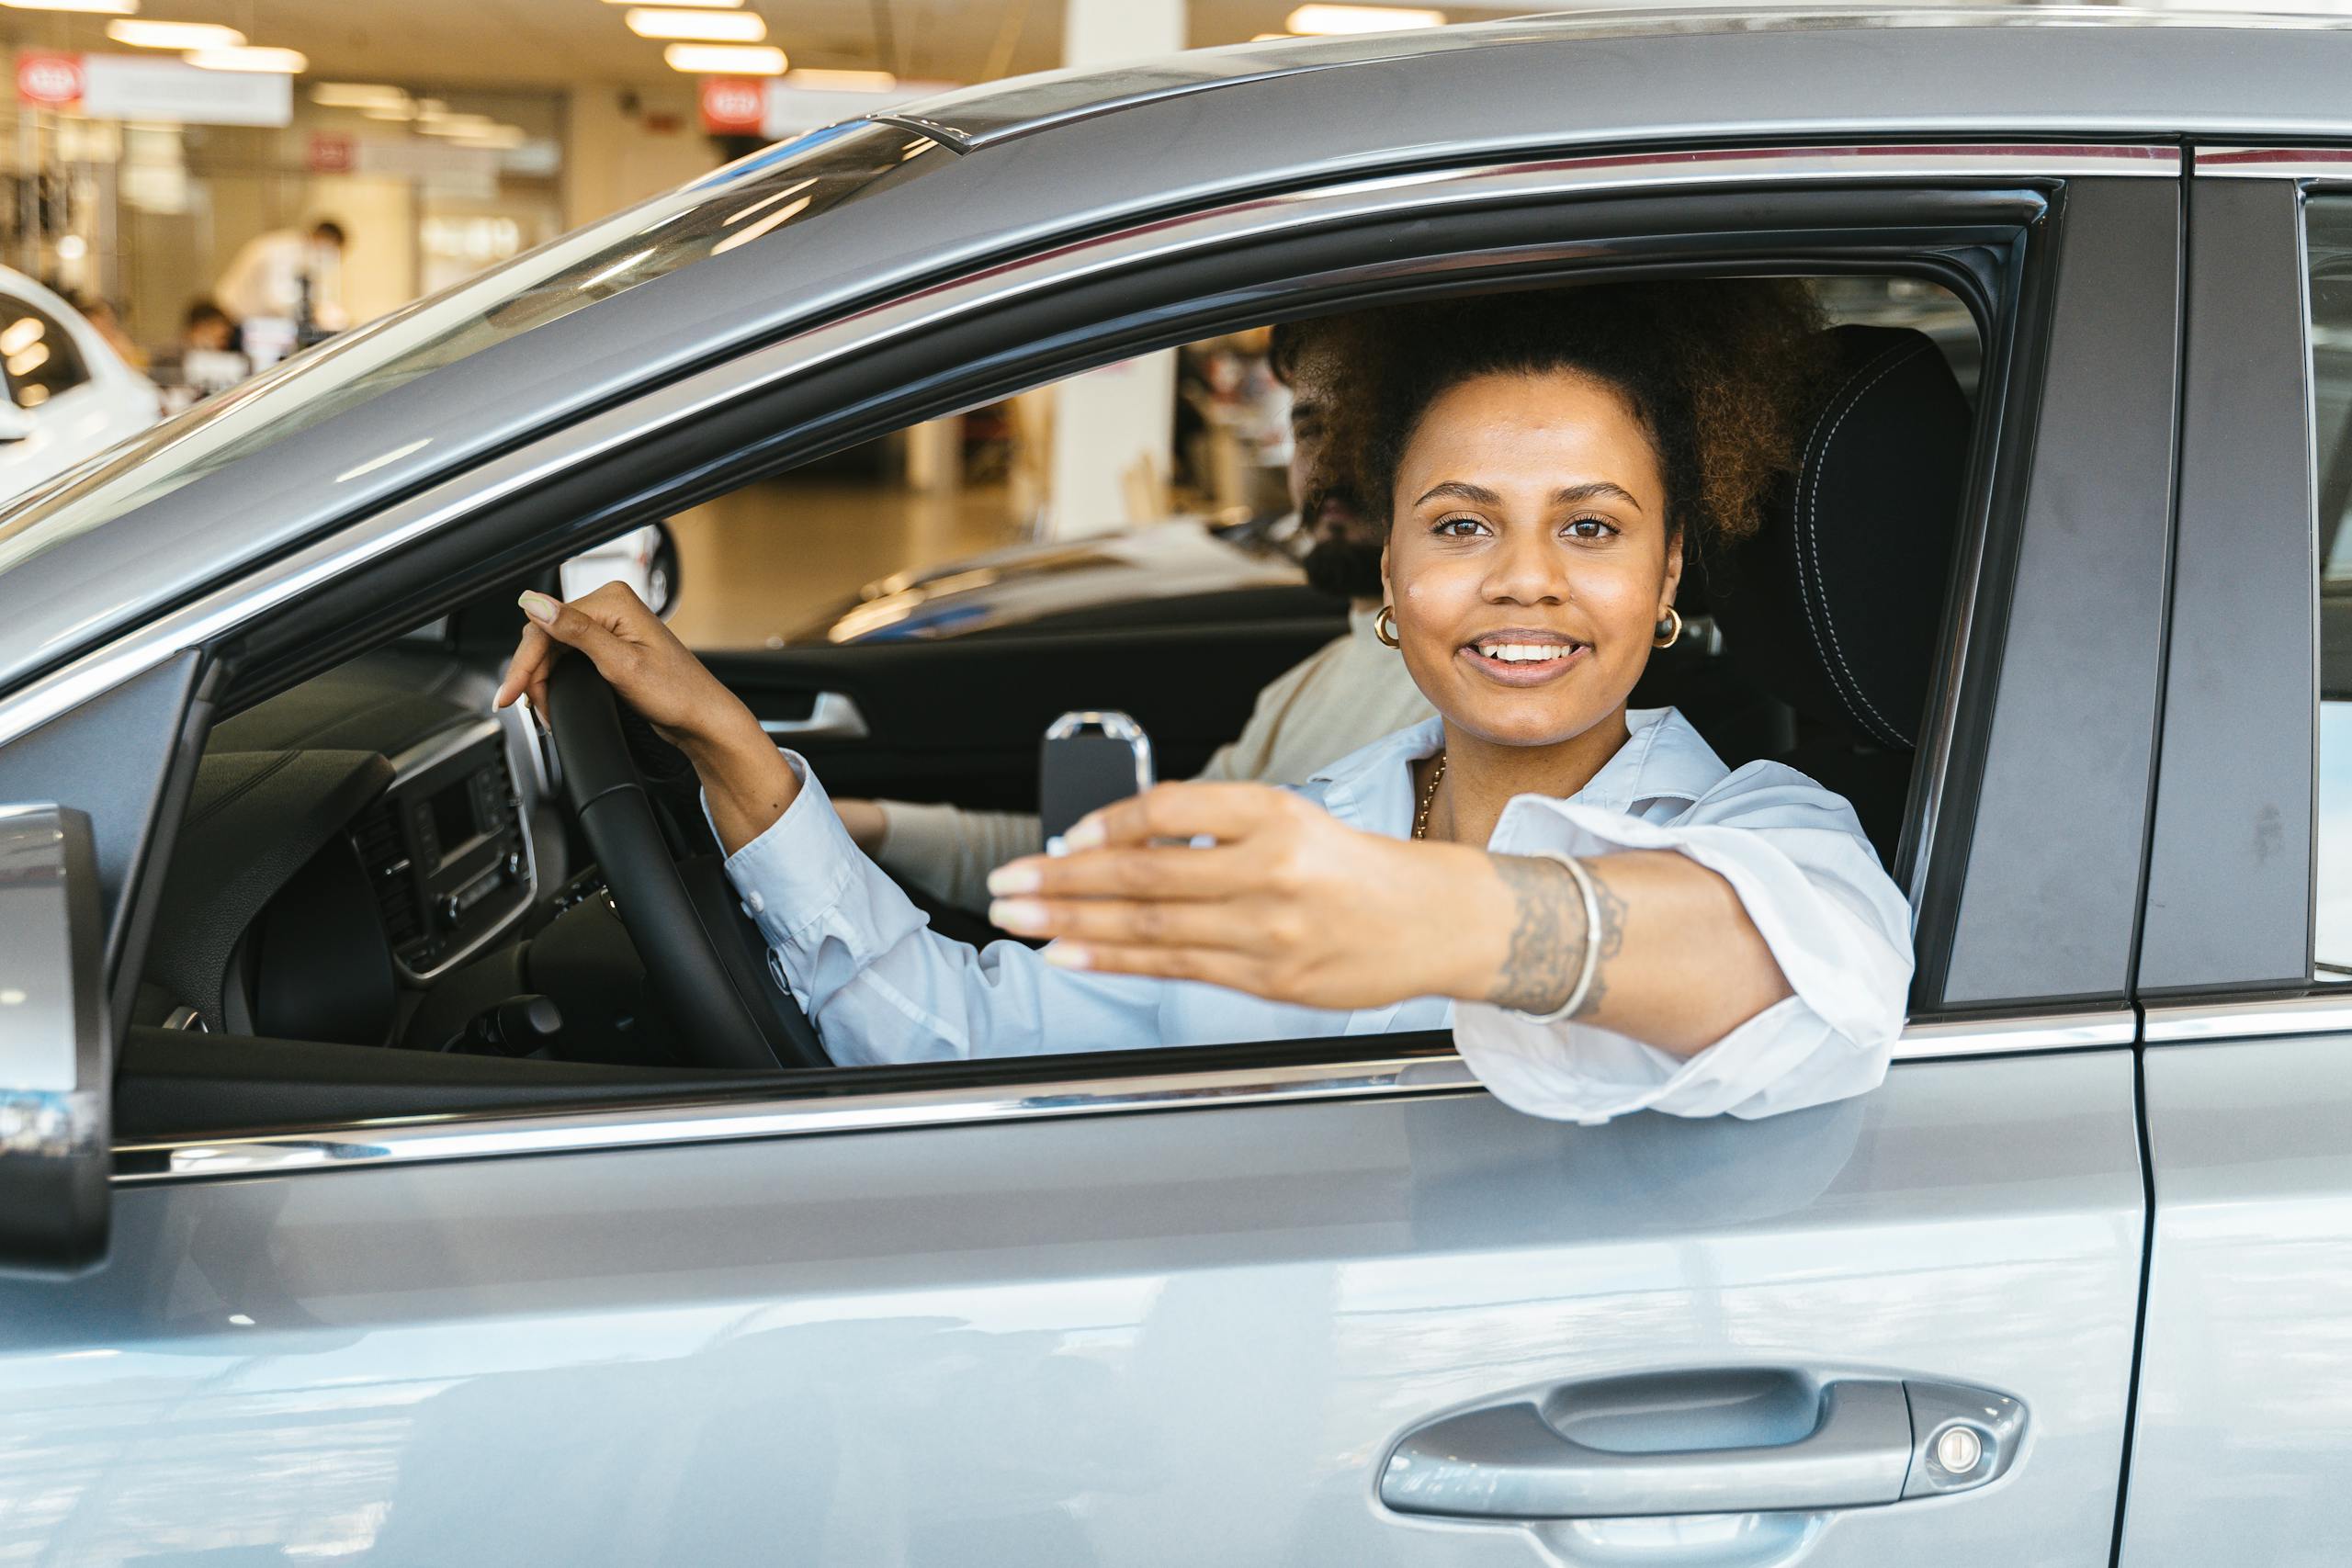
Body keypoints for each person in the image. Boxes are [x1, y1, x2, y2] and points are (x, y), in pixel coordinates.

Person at [496, 282, 1914, 1124]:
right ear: (1392, 559)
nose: (1525, 583)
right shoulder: (1313, 819)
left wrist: (1439, 914)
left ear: (1670, 562)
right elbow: (962, 1033)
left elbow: (1816, 973)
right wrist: (733, 752)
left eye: (1593, 529)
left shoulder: (1757, 822)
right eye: (1464, 525)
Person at [831, 312, 1431, 914]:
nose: (1330, 471)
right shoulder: (1306, 686)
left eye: (1366, 431)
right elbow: (1126, 859)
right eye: (1310, 431)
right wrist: (875, 826)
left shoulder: (1443, 700)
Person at [214, 220, 348, 345]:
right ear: (322, 239)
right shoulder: (281, 250)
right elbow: (275, 298)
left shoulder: (300, 253)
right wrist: (317, 313)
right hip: (233, 320)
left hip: (254, 324)